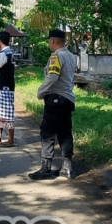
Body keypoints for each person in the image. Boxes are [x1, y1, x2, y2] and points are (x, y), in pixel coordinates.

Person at [29, 28, 78, 180]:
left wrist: (40, 91)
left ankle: (46, 168)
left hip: (55, 99)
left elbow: (52, 77)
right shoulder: (71, 56)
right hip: (68, 100)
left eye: (49, 41)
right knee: (65, 133)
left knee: (47, 132)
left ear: (53, 41)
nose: (49, 44)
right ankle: (67, 168)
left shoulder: (56, 57)